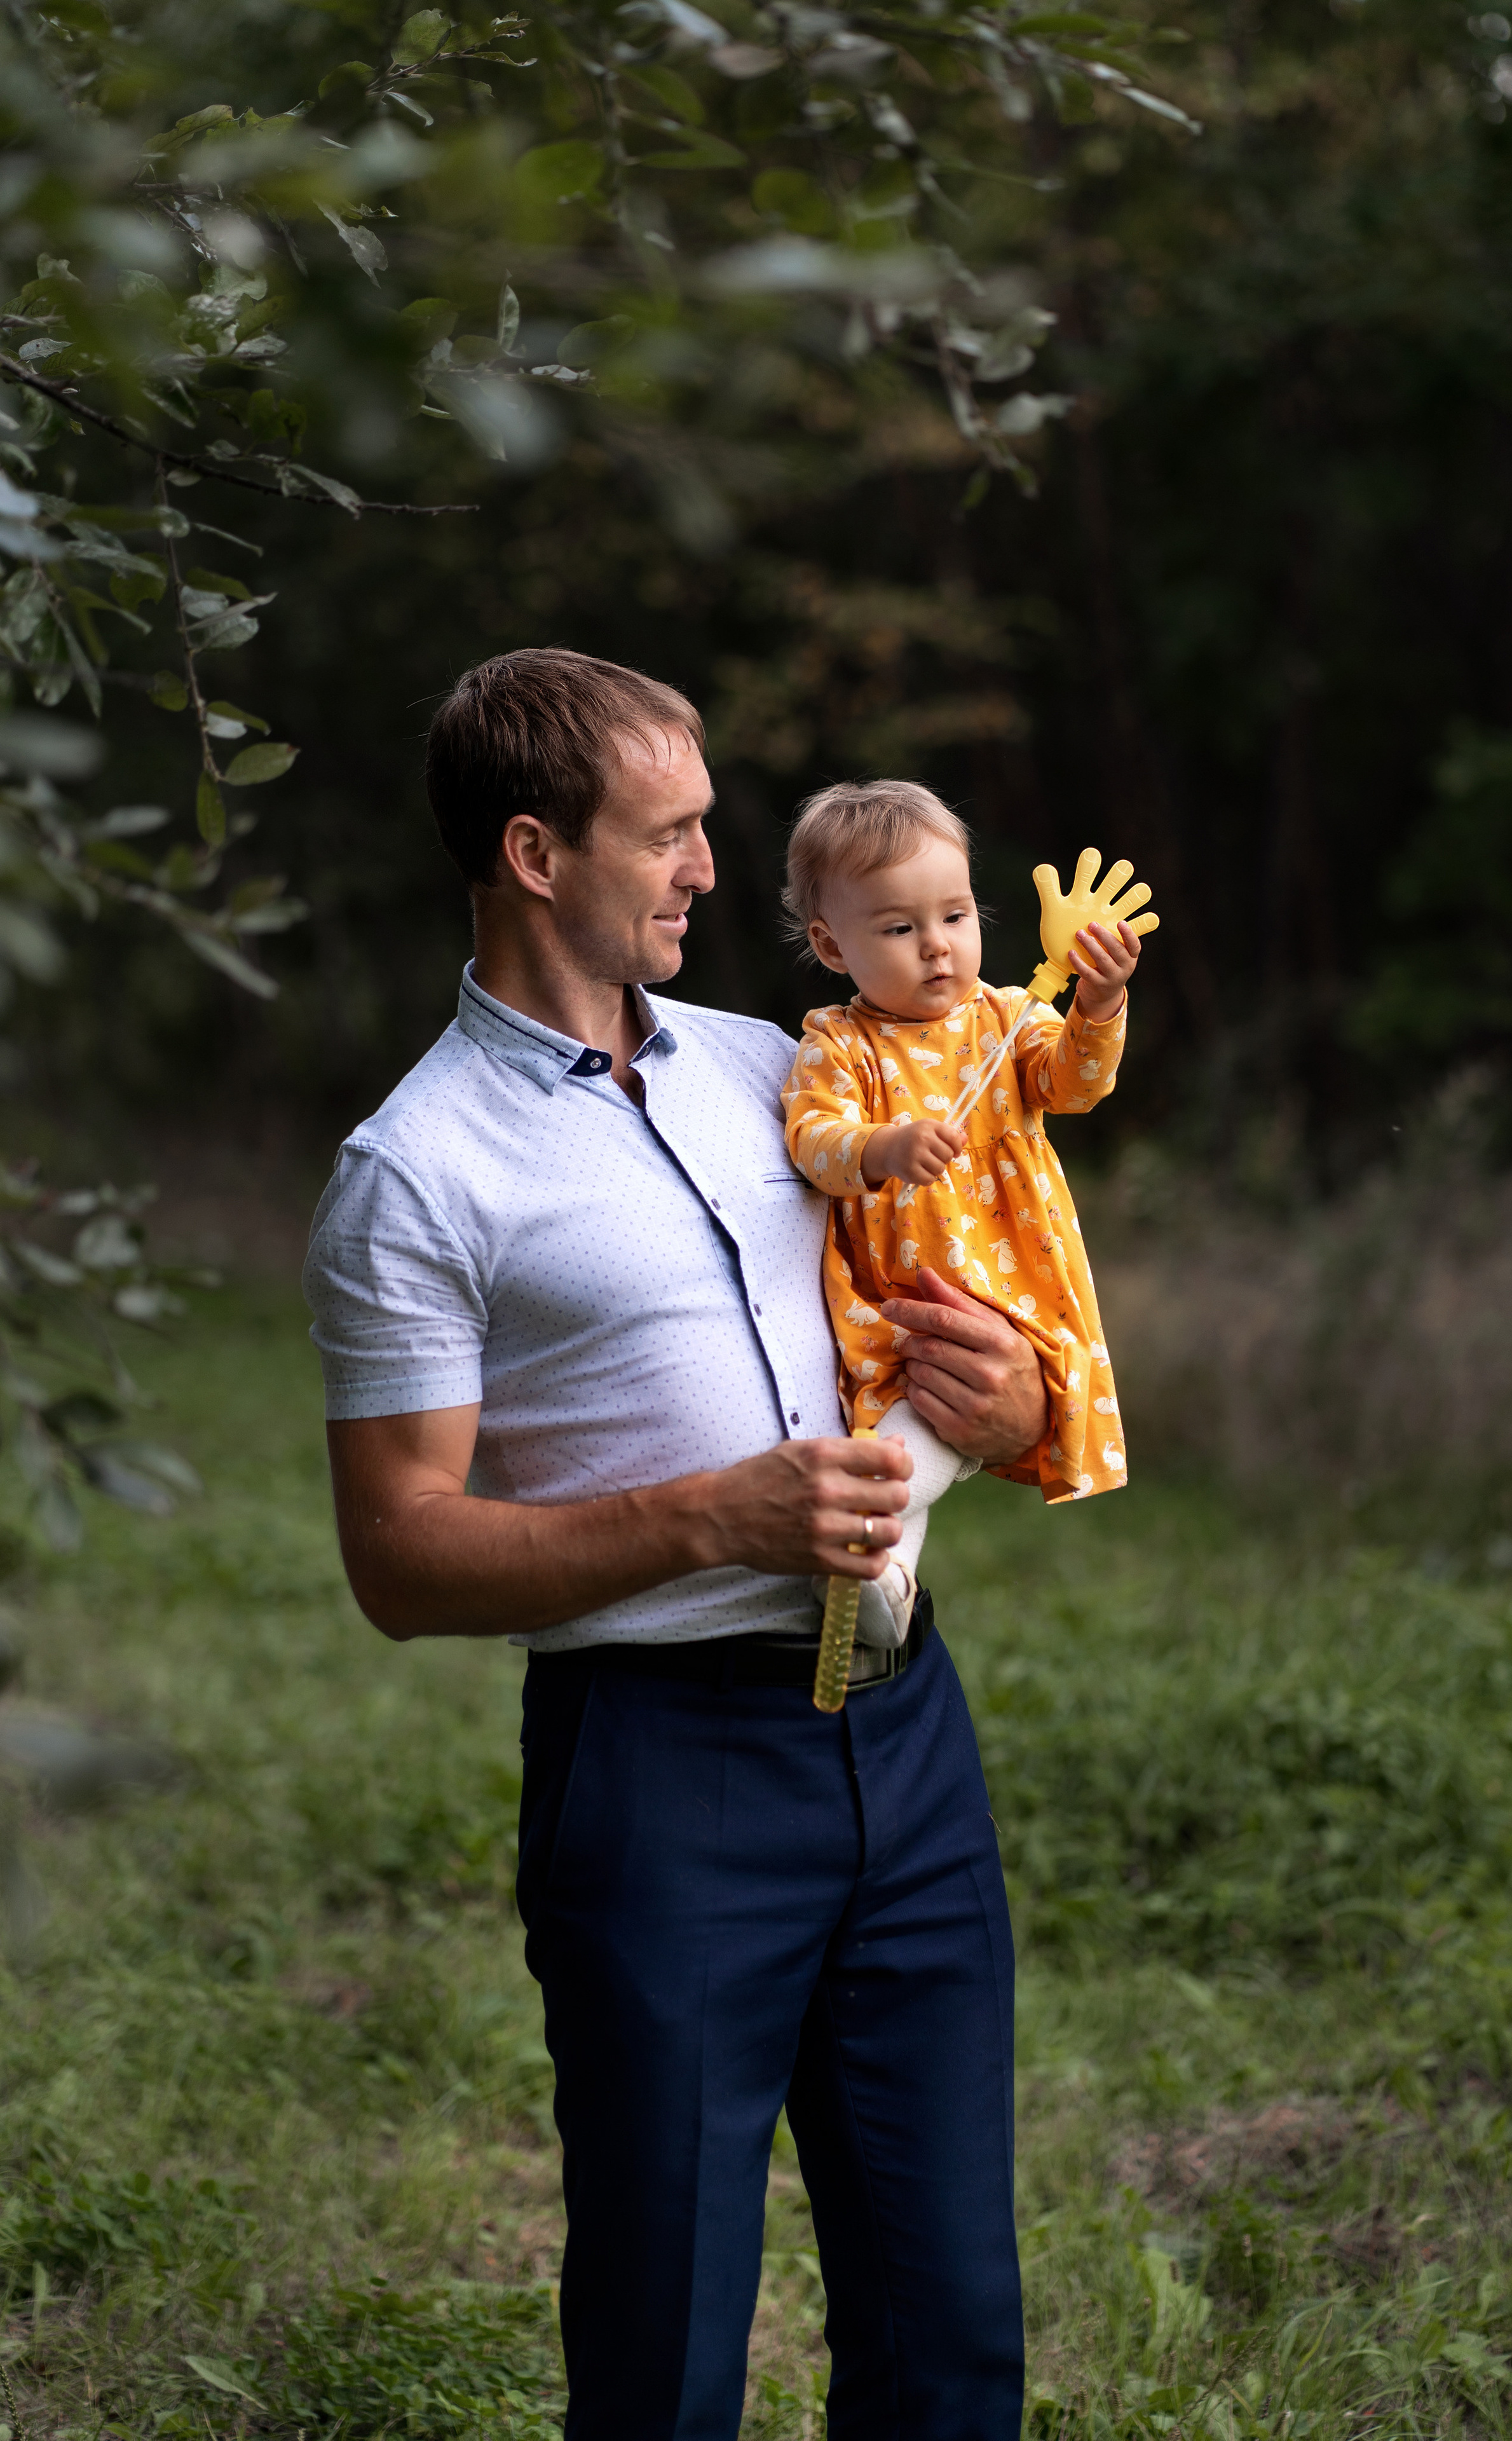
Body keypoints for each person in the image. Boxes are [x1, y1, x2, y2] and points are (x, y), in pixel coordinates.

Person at [303, 648, 1056, 2441]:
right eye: (674, 834)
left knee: (952, 2326)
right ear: (536, 853)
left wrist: (1011, 1400)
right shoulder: (415, 1173)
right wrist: (709, 1517)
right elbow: (399, 1559)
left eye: (710, 826)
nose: (716, 870)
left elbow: (976, 1317)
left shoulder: (786, 1068)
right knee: (665, 2340)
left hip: (904, 1729)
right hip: (661, 1781)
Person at [781, 780, 1140, 1644]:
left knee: (945, 1421)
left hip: (1008, 1274)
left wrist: (1097, 1003)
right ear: (833, 945)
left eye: (957, 916)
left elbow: (1073, 1082)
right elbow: (812, 1138)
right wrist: (882, 1147)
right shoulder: (841, 1043)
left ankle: (879, 1558)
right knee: (897, 1409)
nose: (938, 949)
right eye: (901, 930)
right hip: (896, 1283)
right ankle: (890, 1575)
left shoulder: (1007, 1017)